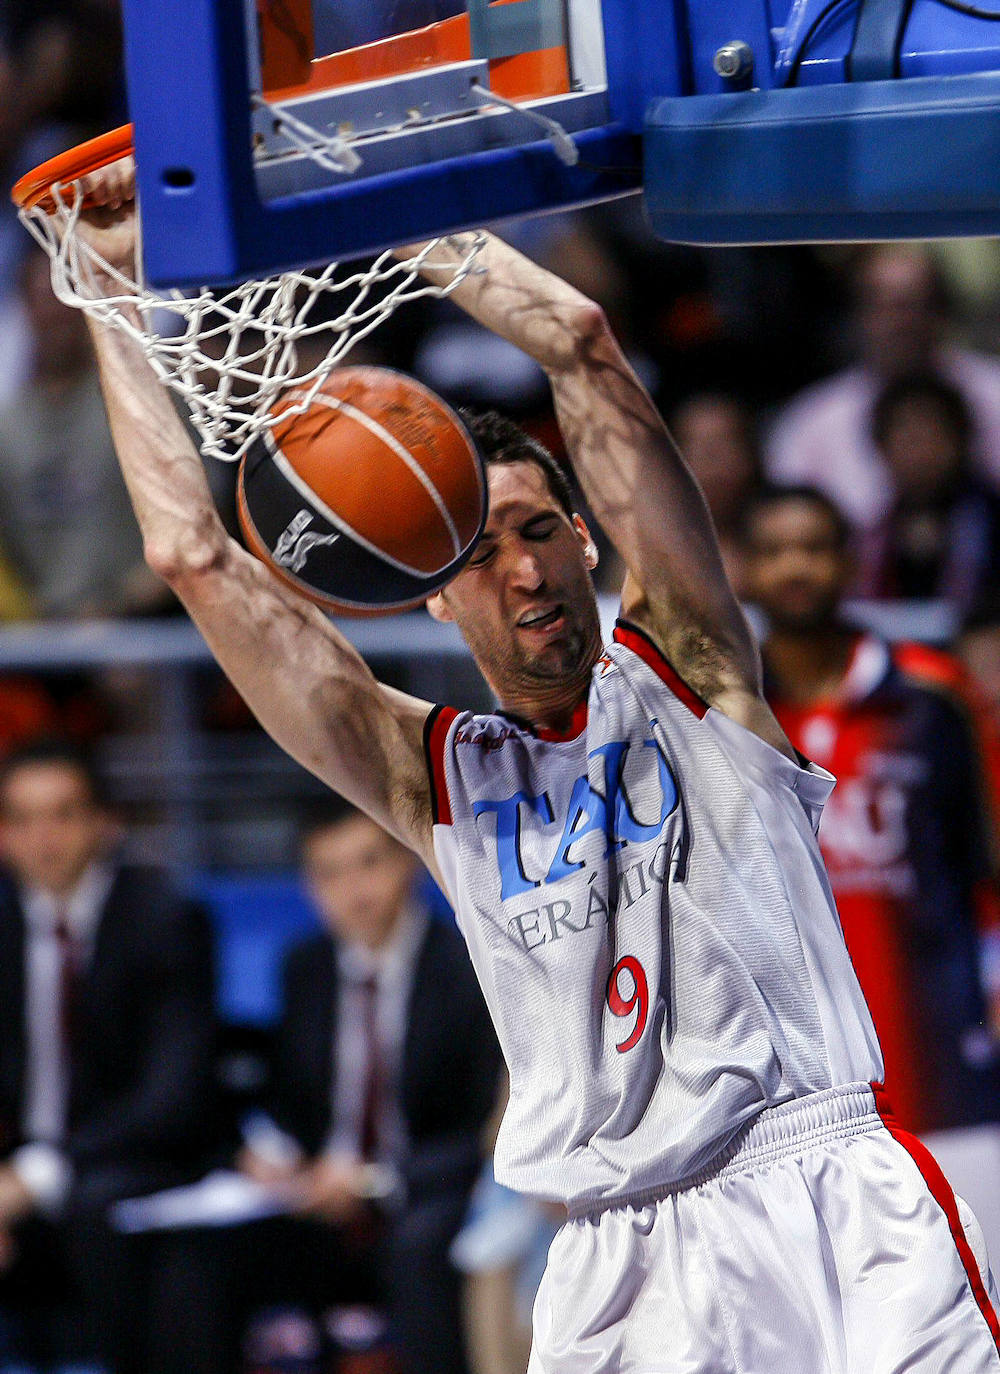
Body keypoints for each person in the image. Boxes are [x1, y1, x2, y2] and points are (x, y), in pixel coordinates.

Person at [68, 173, 1000, 1370]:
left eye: (539, 529)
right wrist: (106, 289)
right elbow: (188, 553)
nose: (522, 570)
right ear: (431, 592)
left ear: (587, 541)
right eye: (478, 547)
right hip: (620, 1261)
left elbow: (578, 339)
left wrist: (377, 198)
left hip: (825, 1194)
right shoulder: (432, 778)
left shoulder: (688, 673)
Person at [741, 483, 1000, 1260]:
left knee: (977, 1287)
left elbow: (986, 862)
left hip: (941, 1065)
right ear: (745, 569)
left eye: (814, 547)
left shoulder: (933, 694)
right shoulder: (723, 713)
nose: (796, 567)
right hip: (789, 1093)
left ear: (851, 562)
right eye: (775, 551)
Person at [238, 798, 501, 1374]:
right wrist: (272, 1153)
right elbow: (289, 1096)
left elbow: (481, 1126)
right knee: (216, 1249)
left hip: (426, 1187)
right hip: (319, 1189)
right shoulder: (305, 967)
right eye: (329, 874)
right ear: (308, 886)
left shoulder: (466, 966)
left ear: (409, 861)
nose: (354, 891)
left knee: (419, 1246)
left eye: (369, 864)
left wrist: (369, 1180)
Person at [0, 737, 228, 1374]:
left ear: (106, 822)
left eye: (62, 814)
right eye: (22, 819)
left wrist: (38, 1175)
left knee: (99, 1208)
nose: (42, 839)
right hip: (22, 1169)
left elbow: (171, 1101)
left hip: (136, 1159)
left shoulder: (164, 918)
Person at [767, 244, 1000, 533]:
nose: (901, 322)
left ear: (942, 310)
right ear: (856, 314)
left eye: (914, 303)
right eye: (883, 305)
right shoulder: (810, 423)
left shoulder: (995, 392)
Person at [856, 371, 1000, 610]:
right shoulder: (870, 535)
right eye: (909, 438)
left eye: (933, 434)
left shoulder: (992, 519)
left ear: (960, 441)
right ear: (881, 446)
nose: (922, 451)